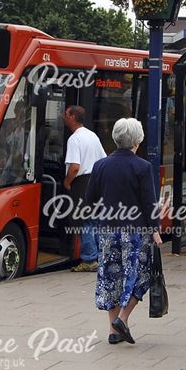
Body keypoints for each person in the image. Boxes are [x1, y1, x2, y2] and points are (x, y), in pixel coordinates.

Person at [85, 118, 162, 346]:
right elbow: (149, 203)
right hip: (135, 231)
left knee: (111, 276)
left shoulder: (101, 165)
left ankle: (113, 330)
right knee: (140, 275)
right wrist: (155, 230)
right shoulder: (142, 167)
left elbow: (90, 199)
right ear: (137, 140)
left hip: (108, 230)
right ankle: (123, 318)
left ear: (115, 138)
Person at [63, 105, 107, 273]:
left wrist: (67, 182)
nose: (63, 117)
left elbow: (74, 167)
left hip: (82, 183)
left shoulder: (74, 139)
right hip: (96, 180)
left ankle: (89, 259)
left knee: (84, 222)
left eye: (66, 114)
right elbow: (104, 159)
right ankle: (98, 256)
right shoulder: (92, 135)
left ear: (73, 117)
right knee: (95, 220)